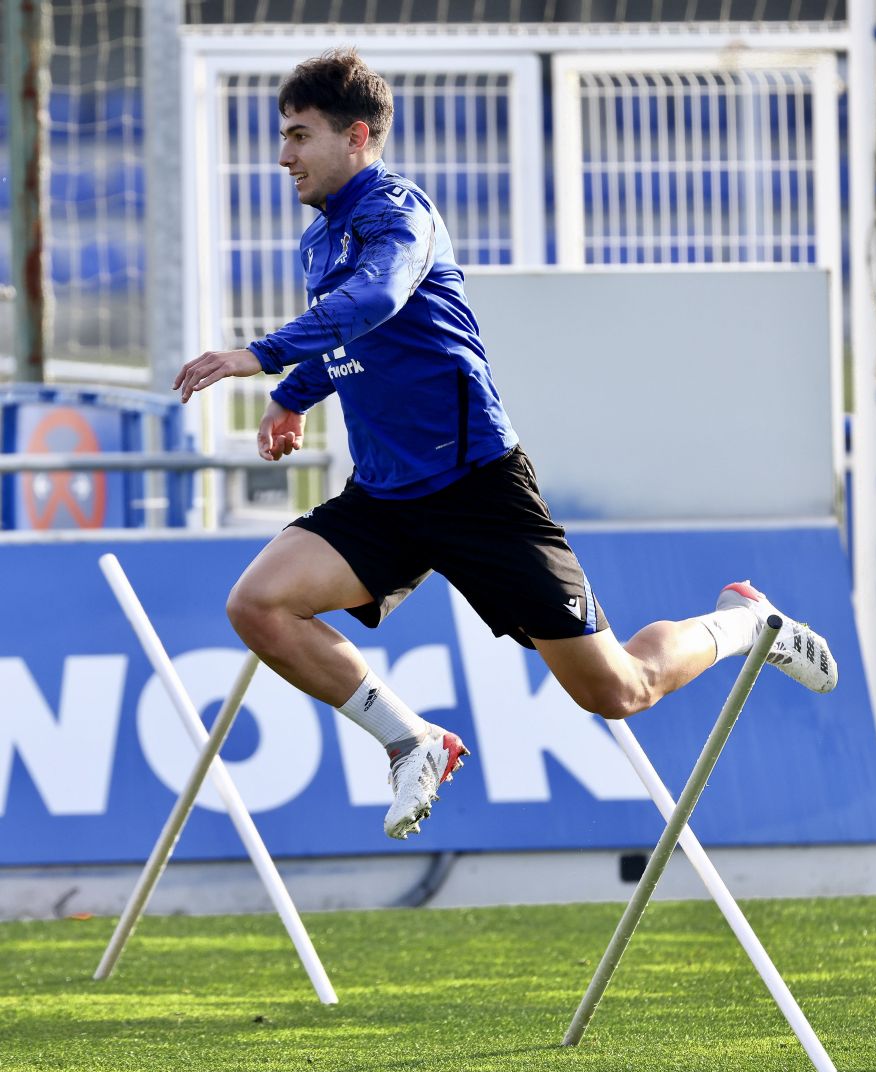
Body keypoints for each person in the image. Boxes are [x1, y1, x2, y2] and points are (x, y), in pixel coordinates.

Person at [174, 49, 837, 841]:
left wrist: (263, 357)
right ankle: (411, 741)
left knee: (617, 689)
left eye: (298, 135)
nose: (282, 156)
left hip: (476, 488)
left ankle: (746, 623)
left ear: (356, 137)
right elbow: (361, 338)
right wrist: (294, 395)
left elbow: (377, 298)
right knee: (257, 603)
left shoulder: (401, 216)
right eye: (282, 136)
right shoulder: (320, 241)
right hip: (384, 495)